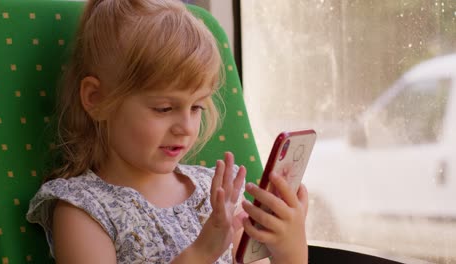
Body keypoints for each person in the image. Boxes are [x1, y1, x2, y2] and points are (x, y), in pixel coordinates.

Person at [26, 0, 309, 263]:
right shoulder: (84, 210)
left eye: (197, 107)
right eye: (163, 109)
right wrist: (199, 254)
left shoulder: (214, 194)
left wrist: (289, 248)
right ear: (96, 99)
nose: (185, 127)